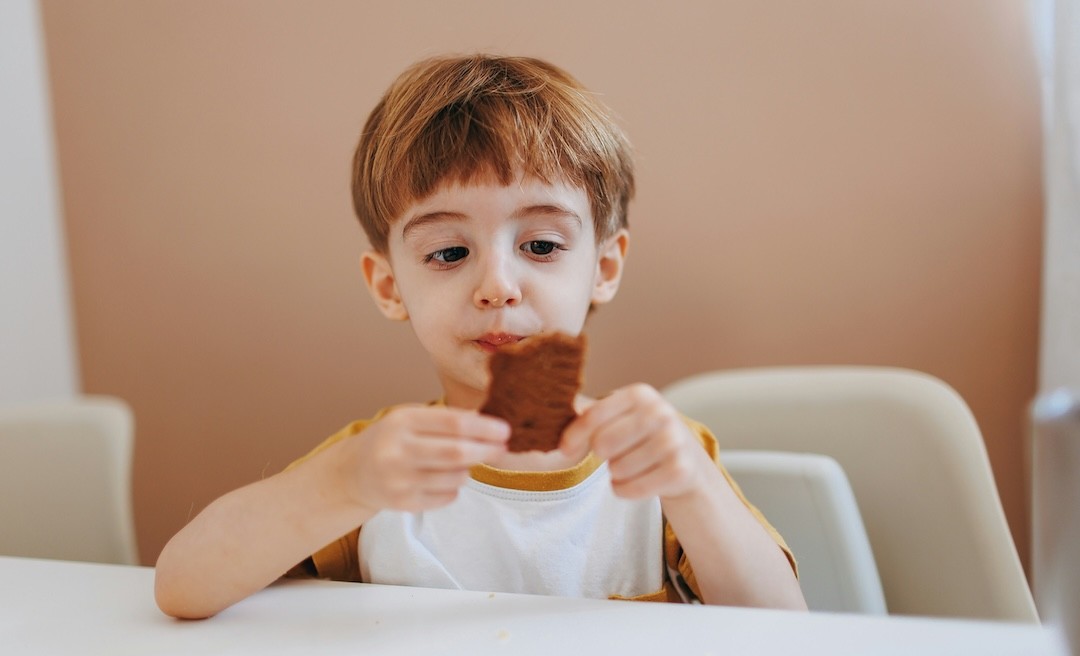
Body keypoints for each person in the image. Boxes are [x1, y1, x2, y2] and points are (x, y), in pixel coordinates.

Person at [154, 54, 806, 619]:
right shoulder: (375, 470)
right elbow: (182, 587)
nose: (497, 284)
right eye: (448, 253)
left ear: (603, 269)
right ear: (388, 286)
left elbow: (782, 628)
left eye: (541, 245)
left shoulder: (657, 460)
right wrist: (340, 485)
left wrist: (692, 486)